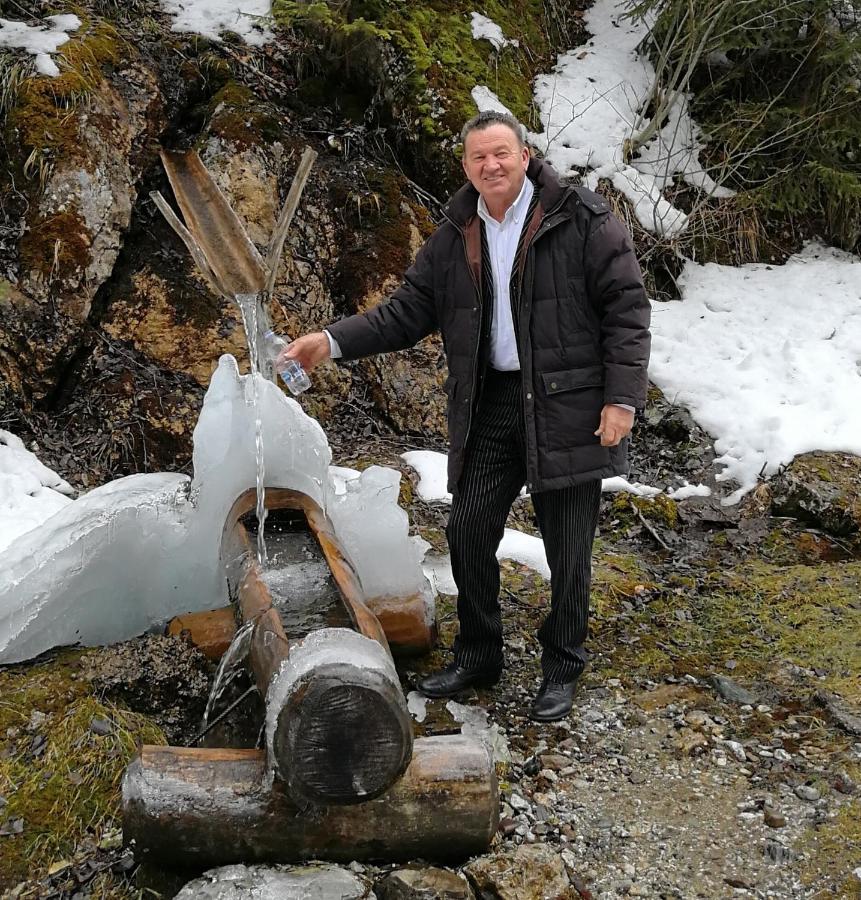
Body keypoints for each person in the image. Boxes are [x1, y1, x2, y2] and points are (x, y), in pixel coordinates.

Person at [282, 110, 650, 721]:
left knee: (568, 544)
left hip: (568, 400)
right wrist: (330, 340)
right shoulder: (457, 233)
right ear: (466, 167)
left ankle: (562, 664)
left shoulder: (583, 217)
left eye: (502, 153)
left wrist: (621, 398)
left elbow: (626, 309)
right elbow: (403, 314)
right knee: (468, 530)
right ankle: (480, 652)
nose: (492, 165)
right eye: (480, 157)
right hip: (491, 400)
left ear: (525, 155)